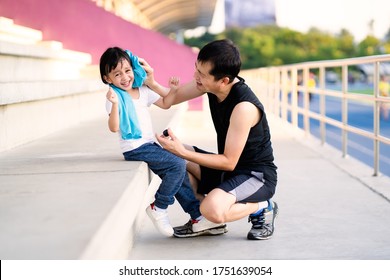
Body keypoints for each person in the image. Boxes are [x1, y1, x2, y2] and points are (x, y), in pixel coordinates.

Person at [144, 39, 279, 240]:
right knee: (164, 152)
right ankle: (202, 221)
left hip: (255, 176)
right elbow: (173, 96)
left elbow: (228, 161)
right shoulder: (208, 84)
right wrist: (152, 82)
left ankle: (263, 206)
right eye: (196, 69)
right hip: (228, 172)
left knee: (213, 209)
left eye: (201, 74)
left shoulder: (243, 107)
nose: (195, 77)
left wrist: (182, 151)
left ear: (224, 80)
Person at [99, 47, 218, 237]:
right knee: (178, 164)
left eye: (128, 71)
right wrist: (113, 105)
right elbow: (114, 127)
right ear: (108, 79)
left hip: (149, 144)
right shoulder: (115, 97)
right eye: (117, 74)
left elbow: (165, 103)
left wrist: (173, 90)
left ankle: (197, 215)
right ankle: (159, 206)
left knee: (180, 172)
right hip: (135, 148)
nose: (125, 77)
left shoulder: (142, 90)